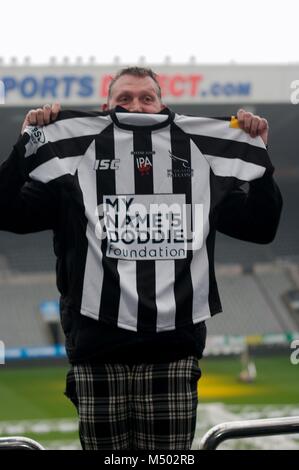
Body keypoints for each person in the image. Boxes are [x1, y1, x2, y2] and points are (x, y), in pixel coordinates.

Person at [0, 67, 282, 450]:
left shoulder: (199, 161)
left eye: (146, 98)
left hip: (173, 352)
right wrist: (28, 145)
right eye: (125, 99)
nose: (137, 106)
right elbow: (5, 210)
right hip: (97, 351)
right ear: (105, 108)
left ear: (162, 105)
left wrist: (260, 164)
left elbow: (261, 227)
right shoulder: (73, 163)